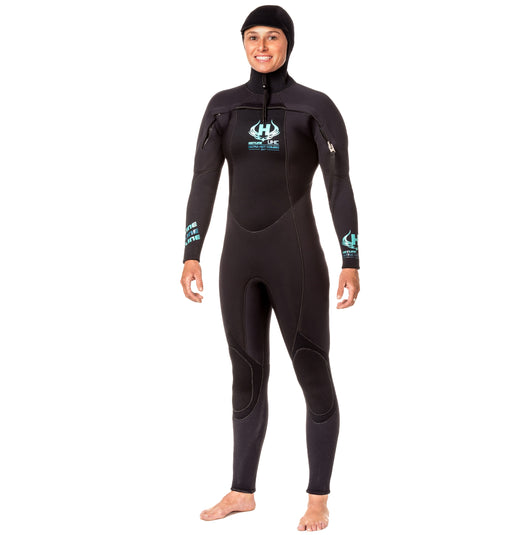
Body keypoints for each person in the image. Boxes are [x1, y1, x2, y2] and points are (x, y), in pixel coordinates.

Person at [180, 5, 360, 531]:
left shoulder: (314, 107)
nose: (261, 47)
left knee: (312, 370)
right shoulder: (222, 106)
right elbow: (203, 181)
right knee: (246, 373)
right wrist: (191, 252)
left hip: (296, 257)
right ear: (243, 44)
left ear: (288, 43)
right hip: (238, 259)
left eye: (272, 37)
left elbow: (339, 185)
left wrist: (351, 259)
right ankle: (242, 491)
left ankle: (318, 497)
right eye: (252, 37)